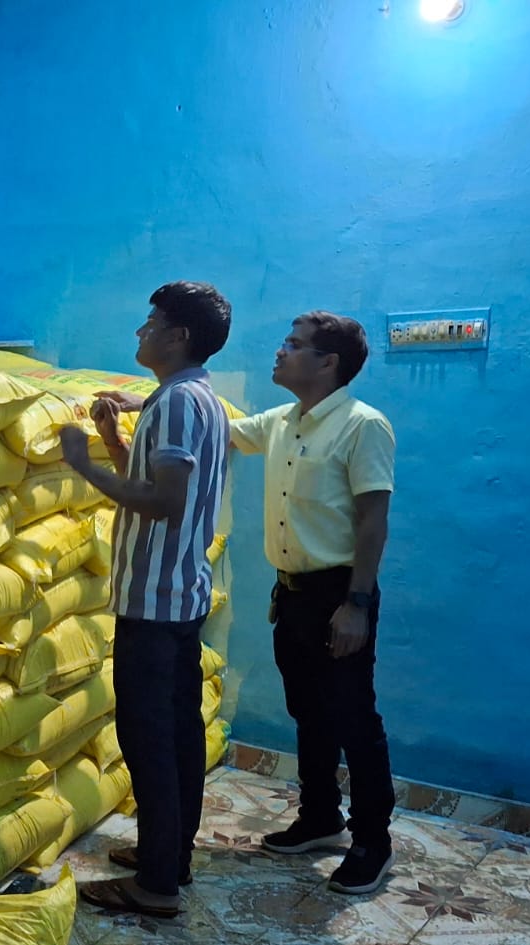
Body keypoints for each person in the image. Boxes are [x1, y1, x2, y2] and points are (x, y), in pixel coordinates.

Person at [57, 281, 233, 918]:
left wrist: (82, 465)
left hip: (155, 602)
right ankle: (170, 856)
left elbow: (164, 502)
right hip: (178, 595)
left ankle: (157, 885)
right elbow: (157, 479)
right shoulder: (196, 397)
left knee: (150, 738)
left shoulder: (178, 402)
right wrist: (112, 442)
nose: (140, 332)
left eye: (151, 322)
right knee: (178, 732)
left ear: (178, 336)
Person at [230, 312, 397, 895]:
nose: (280, 351)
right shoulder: (282, 421)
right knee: (309, 712)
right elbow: (222, 429)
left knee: (355, 717)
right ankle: (321, 817)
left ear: (328, 362)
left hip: (339, 594)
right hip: (293, 594)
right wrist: (140, 403)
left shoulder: (362, 425)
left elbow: (373, 520)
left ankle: (373, 841)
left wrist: (357, 604)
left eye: (294, 344)